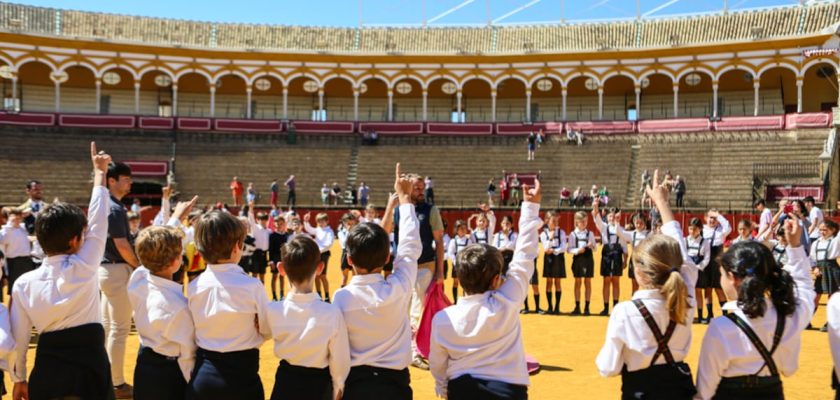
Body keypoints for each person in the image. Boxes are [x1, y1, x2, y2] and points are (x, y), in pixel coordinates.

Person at [10, 143, 113, 400]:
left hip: (49, 369)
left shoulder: (23, 284)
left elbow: (20, 339)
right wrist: (99, 173)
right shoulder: (84, 266)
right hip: (91, 366)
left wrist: (20, 377)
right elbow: (100, 220)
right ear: (74, 241)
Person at [429, 178, 542, 400]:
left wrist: (443, 388)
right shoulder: (507, 301)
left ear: (460, 279)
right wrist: (529, 207)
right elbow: (524, 257)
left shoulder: (443, 319)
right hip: (509, 391)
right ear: (495, 281)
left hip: (463, 391)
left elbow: (438, 364)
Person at [596, 169, 698, 399]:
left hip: (640, 390)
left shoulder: (624, 311)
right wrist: (662, 203)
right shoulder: (686, 296)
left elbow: (608, 367)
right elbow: (682, 256)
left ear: (638, 273)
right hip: (680, 388)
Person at [695, 216, 813, 399]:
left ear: (732, 277)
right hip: (771, 393)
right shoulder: (787, 315)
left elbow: (705, 390)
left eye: (722, 275)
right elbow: (805, 287)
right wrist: (796, 246)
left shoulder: (721, 327)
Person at [334, 163, 420, 400]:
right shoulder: (399, 287)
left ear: (349, 260)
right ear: (386, 257)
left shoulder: (340, 298)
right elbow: (410, 247)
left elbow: (337, 348)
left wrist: (337, 385)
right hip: (395, 385)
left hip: (355, 385)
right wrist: (404, 201)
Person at [187, 210, 271, 400]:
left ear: (200, 252)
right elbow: (267, 330)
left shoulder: (194, 287)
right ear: (236, 248)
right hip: (243, 377)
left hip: (204, 376)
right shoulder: (252, 286)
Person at [267, 235, 351, 400]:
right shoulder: (331, 313)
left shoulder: (272, 310)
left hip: (286, 382)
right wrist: (338, 386)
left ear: (281, 269)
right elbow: (339, 359)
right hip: (319, 386)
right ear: (320, 268)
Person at [382, 171, 445, 370]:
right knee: (402, 306)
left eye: (421, 188)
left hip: (425, 265)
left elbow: (439, 242)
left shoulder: (431, 210)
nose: (419, 191)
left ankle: (415, 349)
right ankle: (405, 346)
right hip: (402, 265)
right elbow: (385, 233)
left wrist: (440, 272)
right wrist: (390, 206)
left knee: (417, 306)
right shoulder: (399, 209)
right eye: (415, 188)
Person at [129, 221, 198, 400]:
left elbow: (149, 250)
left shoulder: (137, 279)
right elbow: (187, 355)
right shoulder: (178, 307)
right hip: (169, 375)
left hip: (144, 365)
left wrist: (175, 219)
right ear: (176, 262)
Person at [99, 160, 138, 397]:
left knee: (108, 327)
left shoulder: (106, 205)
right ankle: (116, 383)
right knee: (119, 329)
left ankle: (108, 378)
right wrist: (139, 266)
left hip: (106, 270)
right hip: (116, 269)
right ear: (111, 181)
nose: (130, 182)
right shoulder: (114, 208)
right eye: (125, 178)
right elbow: (122, 245)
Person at [698, 209, 731, 324]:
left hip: (717, 263)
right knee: (707, 289)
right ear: (705, 218)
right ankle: (710, 315)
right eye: (710, 217)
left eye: (714, 218)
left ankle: (725, 316)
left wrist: (718, 215)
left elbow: (728, 227)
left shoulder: (721, 230)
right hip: (705, 262)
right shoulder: (701, 230)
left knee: (719, 289)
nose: (712, 220)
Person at [592, 202, 625, 316]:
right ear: (607, 217)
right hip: (607, 255)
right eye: (610, 216)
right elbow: (596, 217)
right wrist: (595, 206)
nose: (612, 218)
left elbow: (624, 245)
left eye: (614, 216)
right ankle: (605, 308)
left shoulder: (620, 228)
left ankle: (615, 307)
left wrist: (625, 258)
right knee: (606, 281)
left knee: (616, 281)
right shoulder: (603, 227)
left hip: (617, 255)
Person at [811, 219, 840, 332]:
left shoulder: (836, 241)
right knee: (815, 297)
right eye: (821, 230)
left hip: (832, 269)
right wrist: (814, 268)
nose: (822, 232)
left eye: (825, 230)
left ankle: (831, 323)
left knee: (831, 298)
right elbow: (812, 258)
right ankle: (807, 321)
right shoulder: (816, 242)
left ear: (833, 230)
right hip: (820, 270)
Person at [614, 213, 652, 294]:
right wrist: (617, 222)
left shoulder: (649, 234)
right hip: (634, 260)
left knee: (646, 283)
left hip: (645, 261)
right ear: (634, 223)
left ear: (645, 223)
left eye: (641, 223)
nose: (639, 225)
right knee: (634, 283)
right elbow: (619, 233)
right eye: (637, 223)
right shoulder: (632, 234)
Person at [0, 209, 33, 298]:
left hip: (27, 261)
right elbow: (2, 241)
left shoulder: (23, 229)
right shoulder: (5, 231)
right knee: (14, 290)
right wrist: (10, 223)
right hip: (14, 263)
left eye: (19, 219)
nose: (17, 221)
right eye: (15, 219)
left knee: (28, 288)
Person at [569, 211, 596, 316]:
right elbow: (569, 249)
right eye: (582, 221)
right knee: (578, 282)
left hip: (588, 258)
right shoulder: (572, 234)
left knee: (587, 282)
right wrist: (577, 250)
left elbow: (595, 249)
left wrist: (592, 246)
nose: (585, 223)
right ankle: (577, 306)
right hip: (578, 259)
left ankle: (587, 307)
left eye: (586, 221)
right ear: (577, 222)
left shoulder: (590, 234)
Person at [303, 212, 336, 302]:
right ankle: (318, 295)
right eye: (319, 221)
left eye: (322, 221)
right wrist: (306, 221)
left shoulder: (330, 231)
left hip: (324, 254)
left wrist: (319, 250)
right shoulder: (318, 229)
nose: (321, 223)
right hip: (316, 254)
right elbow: (309, 229)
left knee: (323, 276)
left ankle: (326, 296)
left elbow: (329, 244)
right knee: (316, 275)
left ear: (327, 221)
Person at [540, 210, 566, 315]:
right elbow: (545, 248)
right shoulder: (543, 234)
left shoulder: (562, 232)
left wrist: (554, 251)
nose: (556, 223)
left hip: (558, 257)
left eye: (557, 221)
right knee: (549, 282)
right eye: (553, 221)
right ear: (547, 221)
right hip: (549, 259)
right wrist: (550, 238)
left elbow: (563, 247)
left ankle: (557, 307)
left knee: (558, 282)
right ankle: (550, 306)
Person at [447, 220, 473, 304]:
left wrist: (466, 262)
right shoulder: (453, 241)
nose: (463, 230)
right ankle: (455, 301)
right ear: (456, 230)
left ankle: (464, 300)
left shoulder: (468, 241)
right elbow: (450, 253)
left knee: (465, 283)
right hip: (456, 265)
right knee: (455, 282)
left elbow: (470, 252)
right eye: (461, 228)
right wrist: (456, 262)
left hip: (465, 265)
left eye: (465, 228)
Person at [248, 204, 271, 285]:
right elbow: (251, 219)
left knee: (262, 274)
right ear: (257, 220)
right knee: (254, 274)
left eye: (265, 219)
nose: (263, 221)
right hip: (255, 254)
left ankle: (261, 293)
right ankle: (253, 292)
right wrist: (251, 208)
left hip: (264, 255)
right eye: (261, 219)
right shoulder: (255, 228)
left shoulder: (269, 231)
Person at [268, 217, 289, 301]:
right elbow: (270, 249)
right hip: (275, 258)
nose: (279, 225)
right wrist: (271, 261)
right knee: (274, 276)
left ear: (284, 224)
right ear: (274, 224)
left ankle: (281, 294)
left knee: (282, 276)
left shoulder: (287, 235)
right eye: (277, 223)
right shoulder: (272, 235)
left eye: (281, 224)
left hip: (284, 258)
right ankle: (274, 296)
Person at [338, 212, 360, 288]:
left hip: (355, 253)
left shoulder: (357, 231)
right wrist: (349, 232)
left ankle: (355, 291)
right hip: (345, 253)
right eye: (348, 223)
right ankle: (343, 292)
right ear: (343, 223)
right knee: (344, 277)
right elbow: (344, 243)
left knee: (355, 276)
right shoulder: (341, 232)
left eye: (352, 224)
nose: (350, 226)